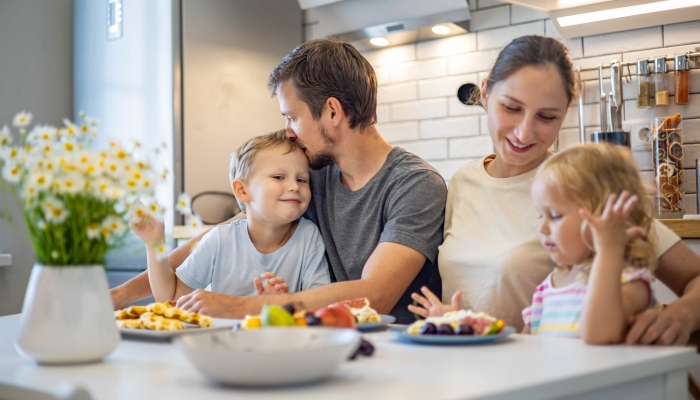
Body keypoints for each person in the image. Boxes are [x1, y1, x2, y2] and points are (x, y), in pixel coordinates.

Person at [111, 37, 446, 323]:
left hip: (399, 351)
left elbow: (374, 295)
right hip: (325, 343)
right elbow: (225, 232)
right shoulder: (311, 176)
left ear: (332, 112)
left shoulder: (415, 185)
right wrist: (121, 295)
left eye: (291, 116)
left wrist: (239, 306)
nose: (287, 130)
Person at [409, 35, 700, 345]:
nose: (524, 132)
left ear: (566, 109)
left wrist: (683, 312)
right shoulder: (462, 182)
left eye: (546, 116)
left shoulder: (582, 184)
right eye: (511, 108)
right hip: (467, 376)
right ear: (484, 93)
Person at [130, 130, 330, 303]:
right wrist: (155, 243)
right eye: (279, 177)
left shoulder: (309, 236)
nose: (295, 186)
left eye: (302, 179)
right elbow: (170, 298)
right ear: (242, 190)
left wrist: (284, 304)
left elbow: (321, 303)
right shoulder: (220, 239)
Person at [522, 144, 657, 344]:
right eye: (540, 215)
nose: (541, 228)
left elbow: (599, 335)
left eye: (555, 215)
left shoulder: (630, 282)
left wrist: (608, 250)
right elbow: (522, 353)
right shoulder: (546, 290)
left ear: (602, 215)